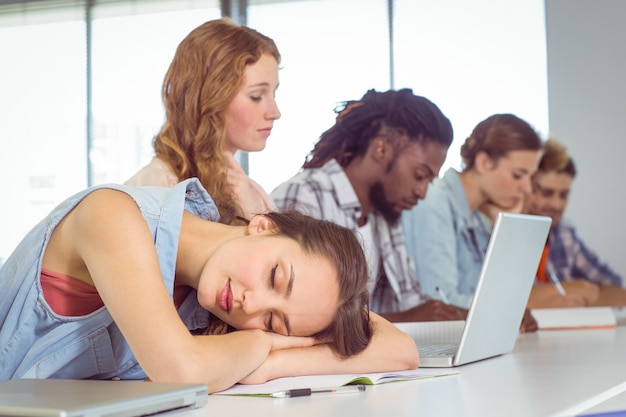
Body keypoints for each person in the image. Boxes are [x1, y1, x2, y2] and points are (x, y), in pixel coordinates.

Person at [0, 179, 419, 393]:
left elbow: (400, 350)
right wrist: (260, 346)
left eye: (273, 321)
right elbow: (180, 370)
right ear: (262, 225)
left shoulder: (205, 300)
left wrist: (274, 365)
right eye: (276, 277)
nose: (251, 306)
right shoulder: (112, 215)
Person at [271, 88, 466, 322]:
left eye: (429, 181)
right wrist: (406, 319)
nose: (422, 192)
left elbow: (414, 304)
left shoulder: (385, 216)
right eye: (419, 175)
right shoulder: (307, 196)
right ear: (381, 149)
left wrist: (462, 317)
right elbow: (296, 317)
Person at [125, 18, 281, 220]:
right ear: (210, 97)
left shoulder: (253, 194)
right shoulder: (153, 192)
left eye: (273, 94)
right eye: (256, 96)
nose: (275, 112)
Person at [402, 114, 543, 314]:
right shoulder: (434, 203)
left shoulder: (477, 218)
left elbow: (498, 293)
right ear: (484, 162)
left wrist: (505, 227)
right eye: (518, 175)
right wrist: (508, 310)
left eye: (530, 177)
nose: (527, 188)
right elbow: (441, 303)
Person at [524, 138, 626, 308]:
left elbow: (616, 288)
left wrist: (580, 293)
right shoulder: (504, 234)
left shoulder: (563, 233)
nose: (556, 205)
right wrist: (566, 290)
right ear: (528, 186)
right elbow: (507, 303)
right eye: (547, 193)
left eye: (563, 195)